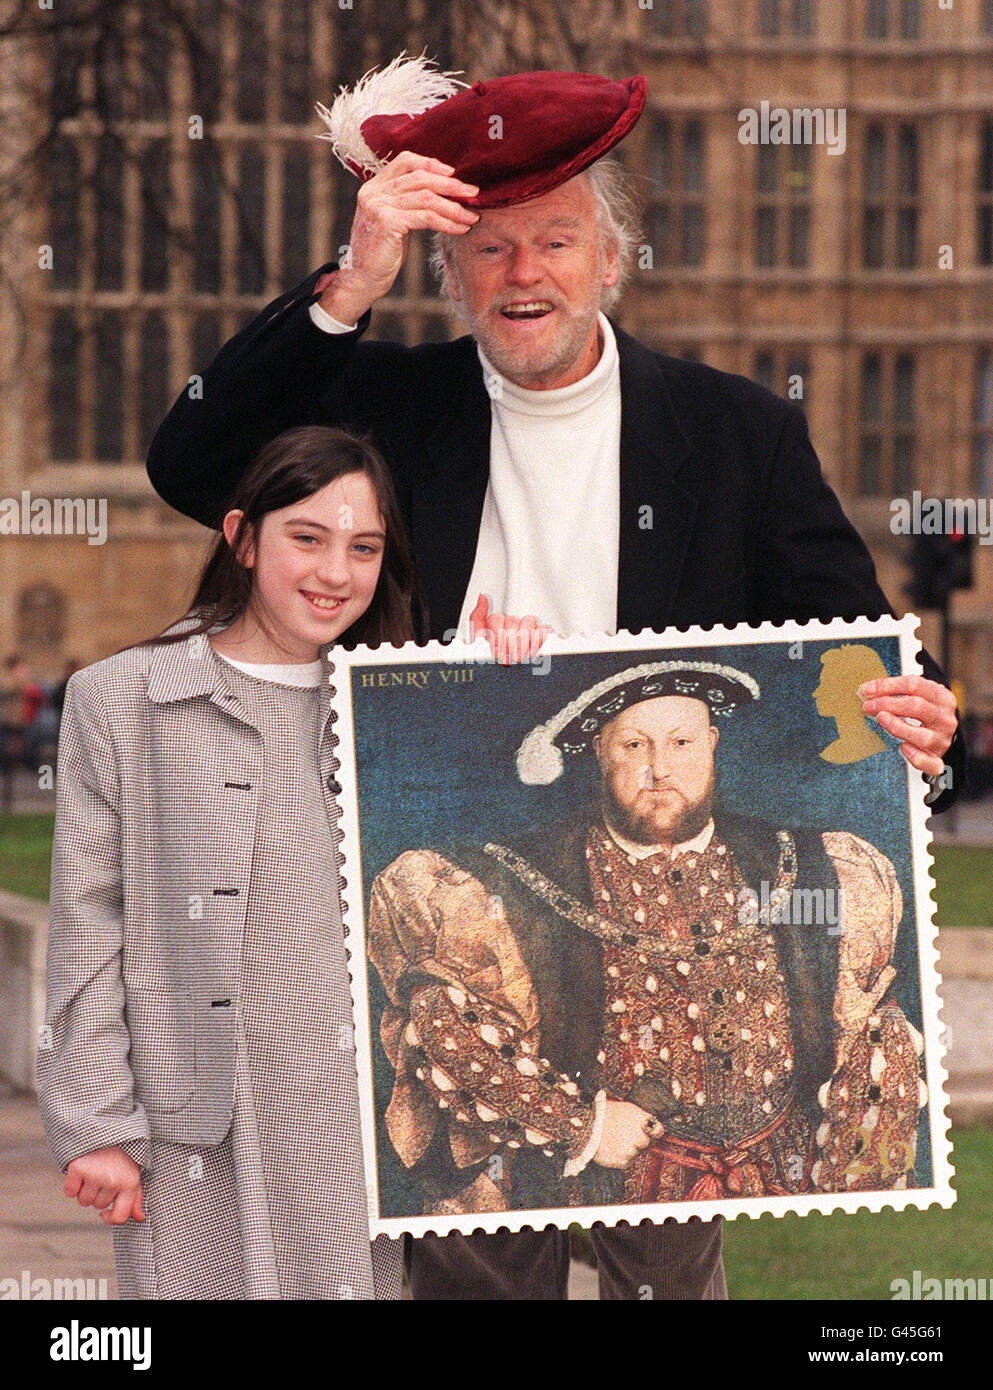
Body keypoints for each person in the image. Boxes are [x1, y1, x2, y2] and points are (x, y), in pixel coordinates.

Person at [145, 56, 963, 1298]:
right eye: (488, 251)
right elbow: (194, 460)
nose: (522, 276)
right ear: (450, 272)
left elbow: (852, 642)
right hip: (467, 906)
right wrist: (347, 286)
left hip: (680, 939)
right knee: (471, 1277)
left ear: (612, 259)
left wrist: (913, 697)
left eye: (555, 243)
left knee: (669, 1275)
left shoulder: (737, 431)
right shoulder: (384, 407)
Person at [37, 425, 424, 1299]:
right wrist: (97, 1120)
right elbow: (88, 924)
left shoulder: (401, 704)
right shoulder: (121, 698)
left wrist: (502, 666)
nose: (335, 573)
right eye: (308, 538)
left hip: (354, 1130)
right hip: (189, 1128)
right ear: (244, 538)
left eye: (363, 548)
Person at [367, 662, 926, 1248]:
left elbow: (871, 1023)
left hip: (779, 1177)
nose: (660, 769)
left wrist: (861, 1155)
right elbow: (439, 1021)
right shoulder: (512, 883)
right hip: (585, 1187)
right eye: (634, 745)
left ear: (711, 743)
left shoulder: (813, 868)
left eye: (681, 742)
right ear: (599, 755)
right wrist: (583, 1126)